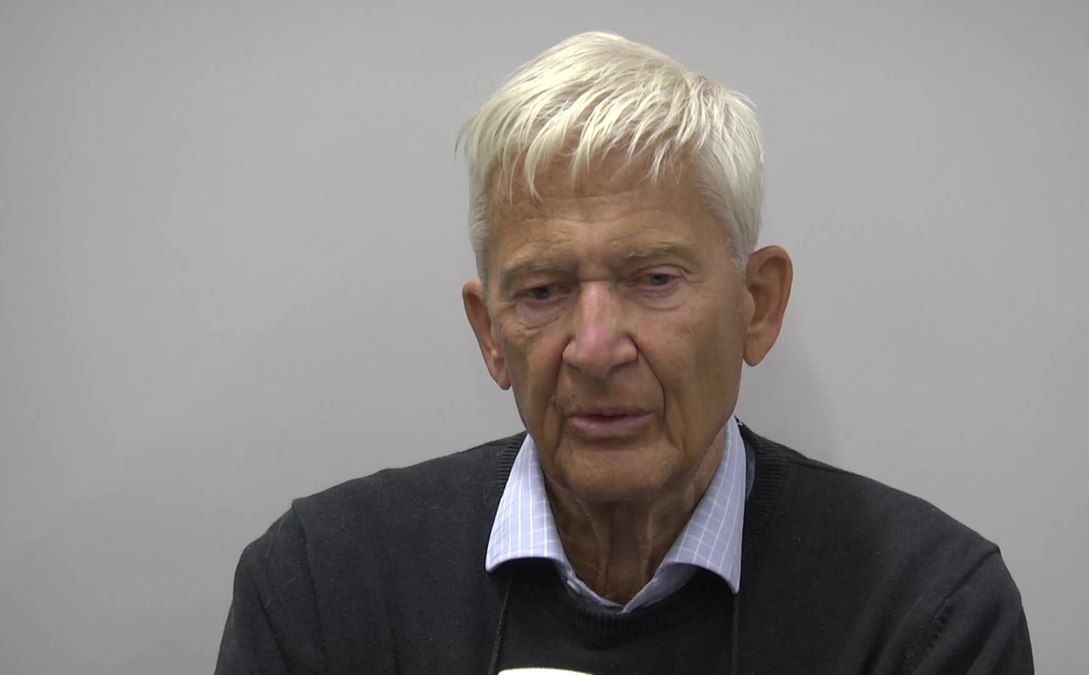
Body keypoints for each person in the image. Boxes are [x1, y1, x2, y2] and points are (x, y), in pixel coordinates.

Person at [216, 32, 1032, 674]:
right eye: (543, 290)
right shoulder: (323, 585)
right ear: (490, 333)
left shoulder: (924, 611)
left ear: (757, 305)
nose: (596, 348)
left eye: (654, 279)